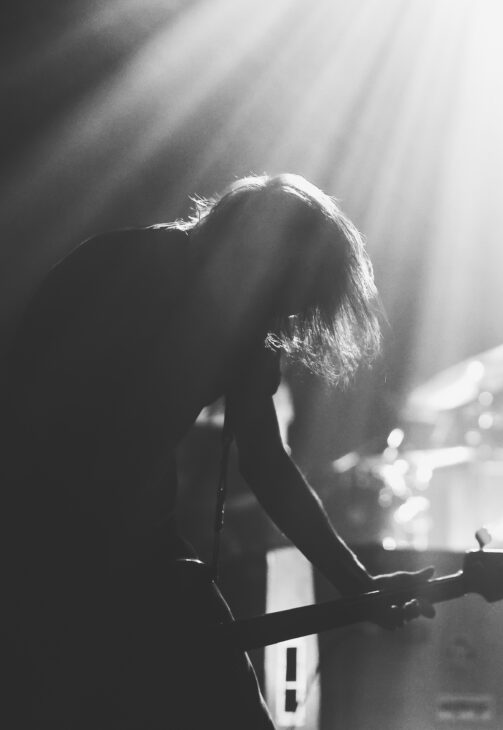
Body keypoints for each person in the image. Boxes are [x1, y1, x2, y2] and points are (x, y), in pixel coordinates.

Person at [0, 174, 433, 729]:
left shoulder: (236, 324)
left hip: (135, 546)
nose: (283, 322)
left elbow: (267, 463)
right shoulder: (123, 269)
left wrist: (355, 582)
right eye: (286, 299)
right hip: (40, 536)